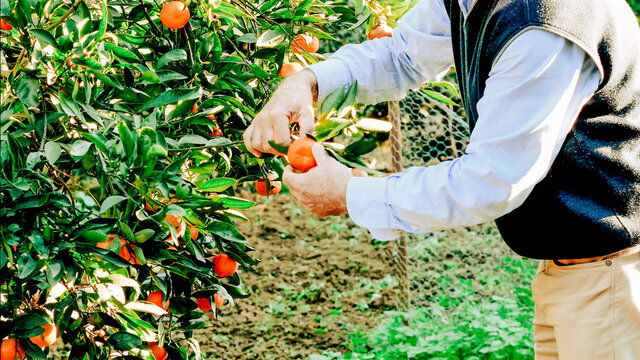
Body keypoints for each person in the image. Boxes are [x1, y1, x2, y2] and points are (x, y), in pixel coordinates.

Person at [243, 0, 640, 358]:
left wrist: (351, 193)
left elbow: (490, 181)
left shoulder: (545, 26)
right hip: (573, 272)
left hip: (608, 278)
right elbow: (402, 55)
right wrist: (307, 81)